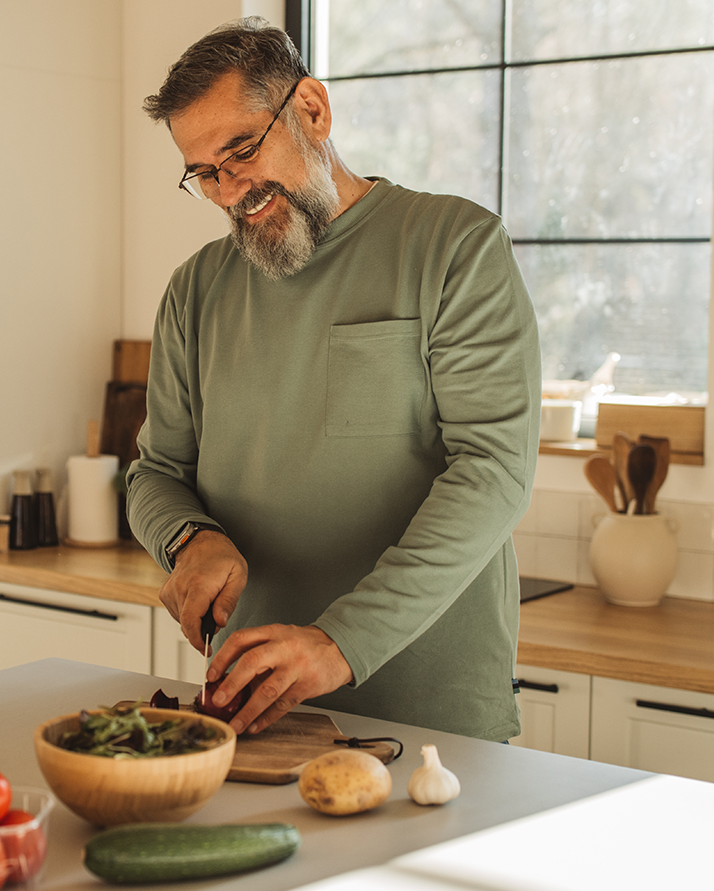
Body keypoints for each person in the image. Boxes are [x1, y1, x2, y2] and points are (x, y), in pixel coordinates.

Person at [126, 17, 541, 742]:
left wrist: (341, 642)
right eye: (205, 173)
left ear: (312, 110)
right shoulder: (196, 290)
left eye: (243, 150)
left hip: (432, 716)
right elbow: (155, 472)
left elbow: (495, 471)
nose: (230, 191)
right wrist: (189, 538)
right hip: (254, 711)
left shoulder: (455, 247)